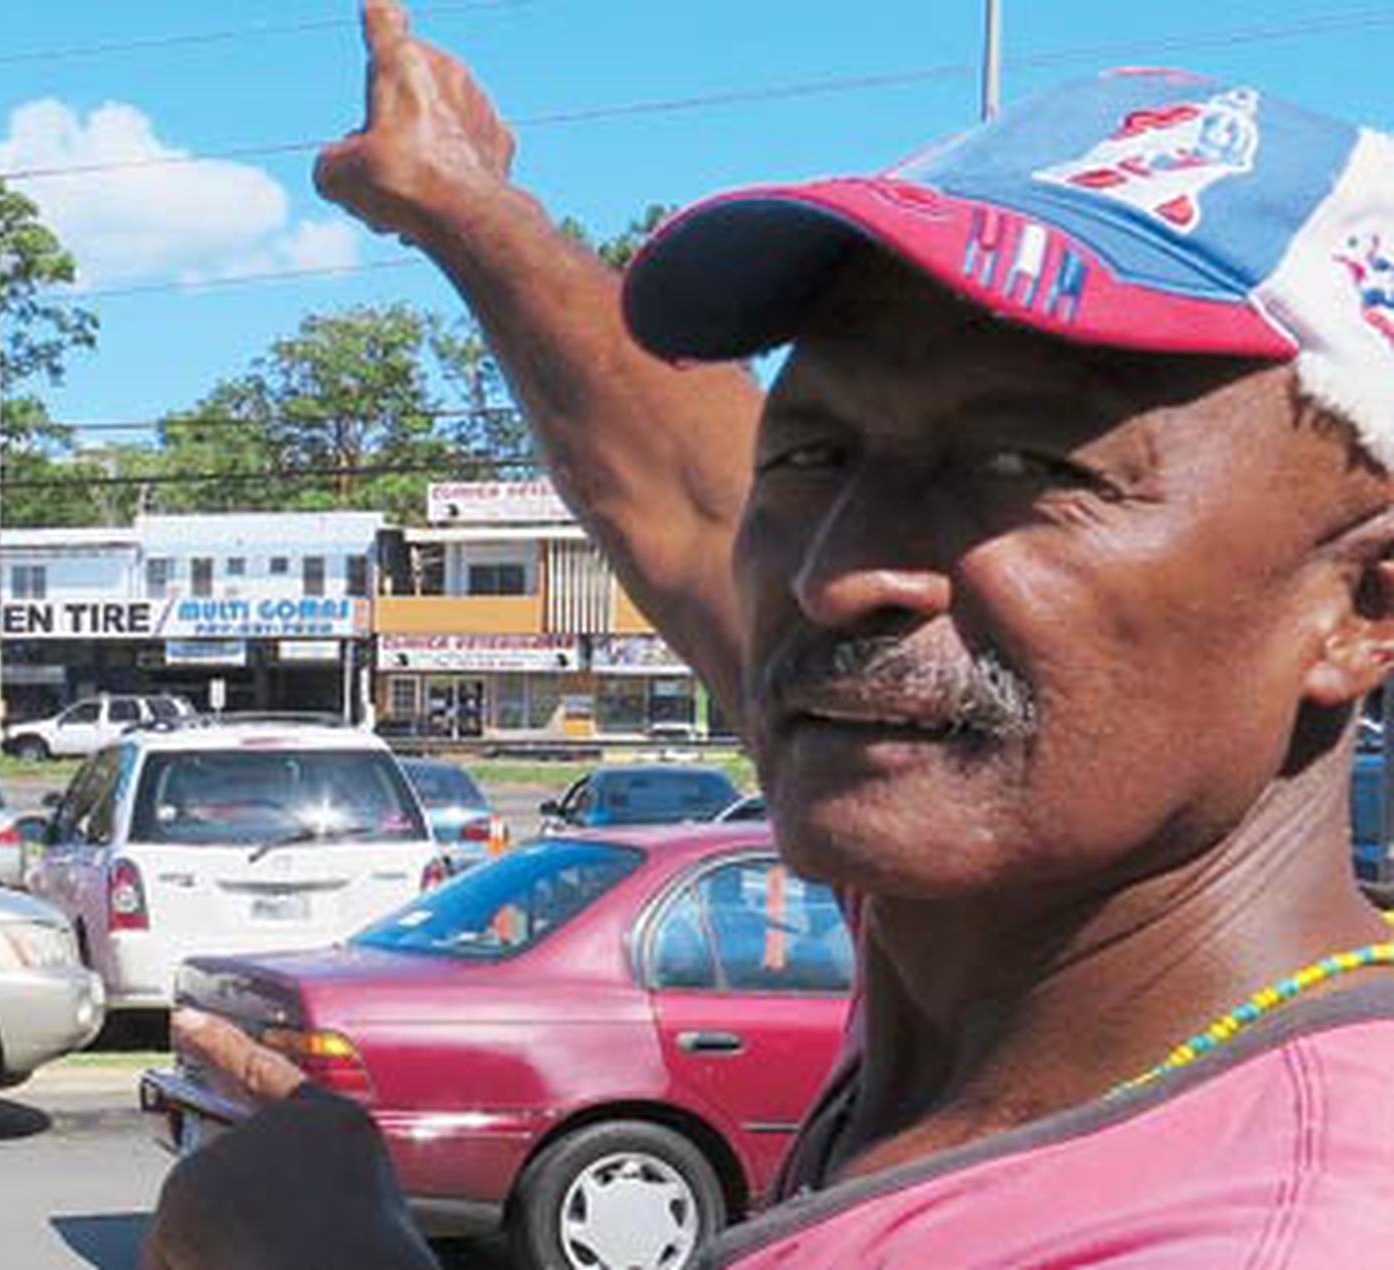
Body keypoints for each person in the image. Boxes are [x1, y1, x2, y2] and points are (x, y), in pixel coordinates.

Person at [145, 2, 1394, 1266]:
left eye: (1023, 464)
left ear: (1363, 608)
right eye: (814, 451)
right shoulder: (995, 935)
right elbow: (691, 503)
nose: (836, 572)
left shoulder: (1276, 1223)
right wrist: (463, 204)